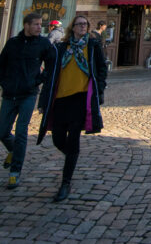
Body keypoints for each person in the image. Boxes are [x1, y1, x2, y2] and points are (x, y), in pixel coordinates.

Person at [37, 15, 107, 202]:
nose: (83, 27)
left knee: (73, 138)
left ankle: (65, 182)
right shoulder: (61, 48)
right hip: (60, 99)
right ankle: (72, 158)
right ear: (73, 28)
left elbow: (101, 68)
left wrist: (99, 90)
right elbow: (50, 72)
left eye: (85, 24)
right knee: (58, 139)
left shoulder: (92, 46)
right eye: (79, 24)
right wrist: (43, 98)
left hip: (81, 99)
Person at [0, 12, 55, 189]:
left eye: (40, 25)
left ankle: (15, 172)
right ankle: (13, 151)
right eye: (36, 24)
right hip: (9, 93)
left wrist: (38, 80)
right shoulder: (13, 43)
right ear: (26, 25)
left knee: (22, 132)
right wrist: (3, 82)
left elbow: (52, 64)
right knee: (2, 132)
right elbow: (1, 64)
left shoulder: (43, 43)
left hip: (29, 94)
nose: (39, 27)